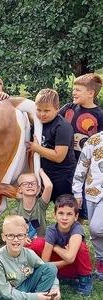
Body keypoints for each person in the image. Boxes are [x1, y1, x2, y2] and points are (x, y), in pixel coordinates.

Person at [59, 73, 103, 221]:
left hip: (85, 168)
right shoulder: (68, 109)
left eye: (78, 89)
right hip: (65, 164)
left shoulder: (99, 115)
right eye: (74, 89)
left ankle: (78, 232)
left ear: (91, 93)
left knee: (79, 203)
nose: (74, 92)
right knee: (66, 201)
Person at [30, 194, 93, 296]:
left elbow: (70, 257)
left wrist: (56, 247)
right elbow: (45, 263)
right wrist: (66, 256)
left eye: (69, 214)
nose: (64, 218)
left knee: (81, 247)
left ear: (76, 217)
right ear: (55, 214)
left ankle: (85, 280)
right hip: (57, 268)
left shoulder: (77, 228)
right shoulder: (51, 230)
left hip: (75, 269)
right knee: (38, 242)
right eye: (61, 213)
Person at [0, 215, 60, 300]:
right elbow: (6, 293)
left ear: (26, 236)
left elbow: (46, 269)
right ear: (3, 237)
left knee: (51, 267)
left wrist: (55, 286)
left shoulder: (28, 253)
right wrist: (34, 297)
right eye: (11, 235)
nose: (16, 239)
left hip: (25, 285)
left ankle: (40, 297)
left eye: (20, 235)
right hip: (7, 295)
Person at [26, 88, 75, 202]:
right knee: (37, 210)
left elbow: (59, 157)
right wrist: (35, 177)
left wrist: (37, 148)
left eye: (46, 111)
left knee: (64, 209)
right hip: (42, 175)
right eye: (38, 110)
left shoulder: (62, 127)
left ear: (57, 109)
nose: (42, 114)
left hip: (62, 177)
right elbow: (31, 155)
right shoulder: (36, 125)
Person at [73, 131, 103, 280]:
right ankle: (101, 259)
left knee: (98, 227)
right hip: (93, 191)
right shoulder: (94, 140)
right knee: (94, 230)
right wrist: (77, 192)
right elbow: (82, 166)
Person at [0, 169, 53, 242]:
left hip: (40, 243)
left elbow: (49, 186)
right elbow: (13, 232)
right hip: (22, 244)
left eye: (33, 183)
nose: (30, 186)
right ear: (19, 189)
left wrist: (41, 171)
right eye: (25, 184)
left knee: (39, 243)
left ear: (38, 188)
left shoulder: (41, 205)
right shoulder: (15, 212)